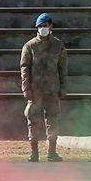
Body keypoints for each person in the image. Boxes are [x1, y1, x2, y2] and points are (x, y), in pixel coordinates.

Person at [20, 13, 67, 162]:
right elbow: (24, 68)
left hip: (52, 90)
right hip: (35, 91)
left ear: (51, 26)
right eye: (40, 26)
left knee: (53, 120)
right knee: (32, 120)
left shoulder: (58, 45)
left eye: (45, 26)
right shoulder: (30, 46)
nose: (42, 29)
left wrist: (63, 87)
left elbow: (63, 68)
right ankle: (34, 153)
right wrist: (26, 88)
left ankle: (51, 152)